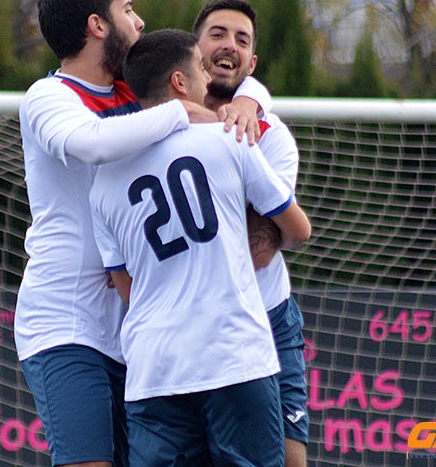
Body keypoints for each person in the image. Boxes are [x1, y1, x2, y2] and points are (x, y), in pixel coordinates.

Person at [14, 0, 273, 467]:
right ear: (97, 26)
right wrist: (180, 113)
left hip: (138, 326)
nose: (140, 20)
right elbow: (90, 143)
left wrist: (245, 98)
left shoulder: (135, 89)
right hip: (67, 322)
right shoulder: (48, 97)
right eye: (127, 10)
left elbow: (215, 72)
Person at [89, 28, 312, 466]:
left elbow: (126, 289)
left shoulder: (104, 181)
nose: (208, 81)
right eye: (199, 70)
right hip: (234, 356)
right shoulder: (228, 139)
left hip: (156, 370)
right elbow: (298, 229)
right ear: (179, 82)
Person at [194, 0, 310, 467]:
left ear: (253, 62)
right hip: (194, 326)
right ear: (193, 47)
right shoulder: (158, 127)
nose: (230, 46)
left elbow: (261, 246)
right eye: (217, 34)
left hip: (268, 316)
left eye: (242, 40)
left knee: (289, 456)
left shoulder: (273, 137)